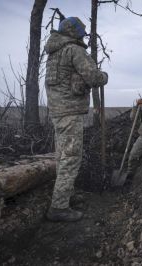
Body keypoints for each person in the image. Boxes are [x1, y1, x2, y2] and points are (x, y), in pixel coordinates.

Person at [44, 17, 108, 222]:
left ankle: (66, 195)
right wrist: (104, 75)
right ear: (74, 32)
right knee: (71, 158)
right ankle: (59, 207)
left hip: (57, 112)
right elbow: (94, 78)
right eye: (82, 31)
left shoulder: (54, 52)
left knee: (62, 156)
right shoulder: (74, 50)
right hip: (70, 113)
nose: (84, 34)